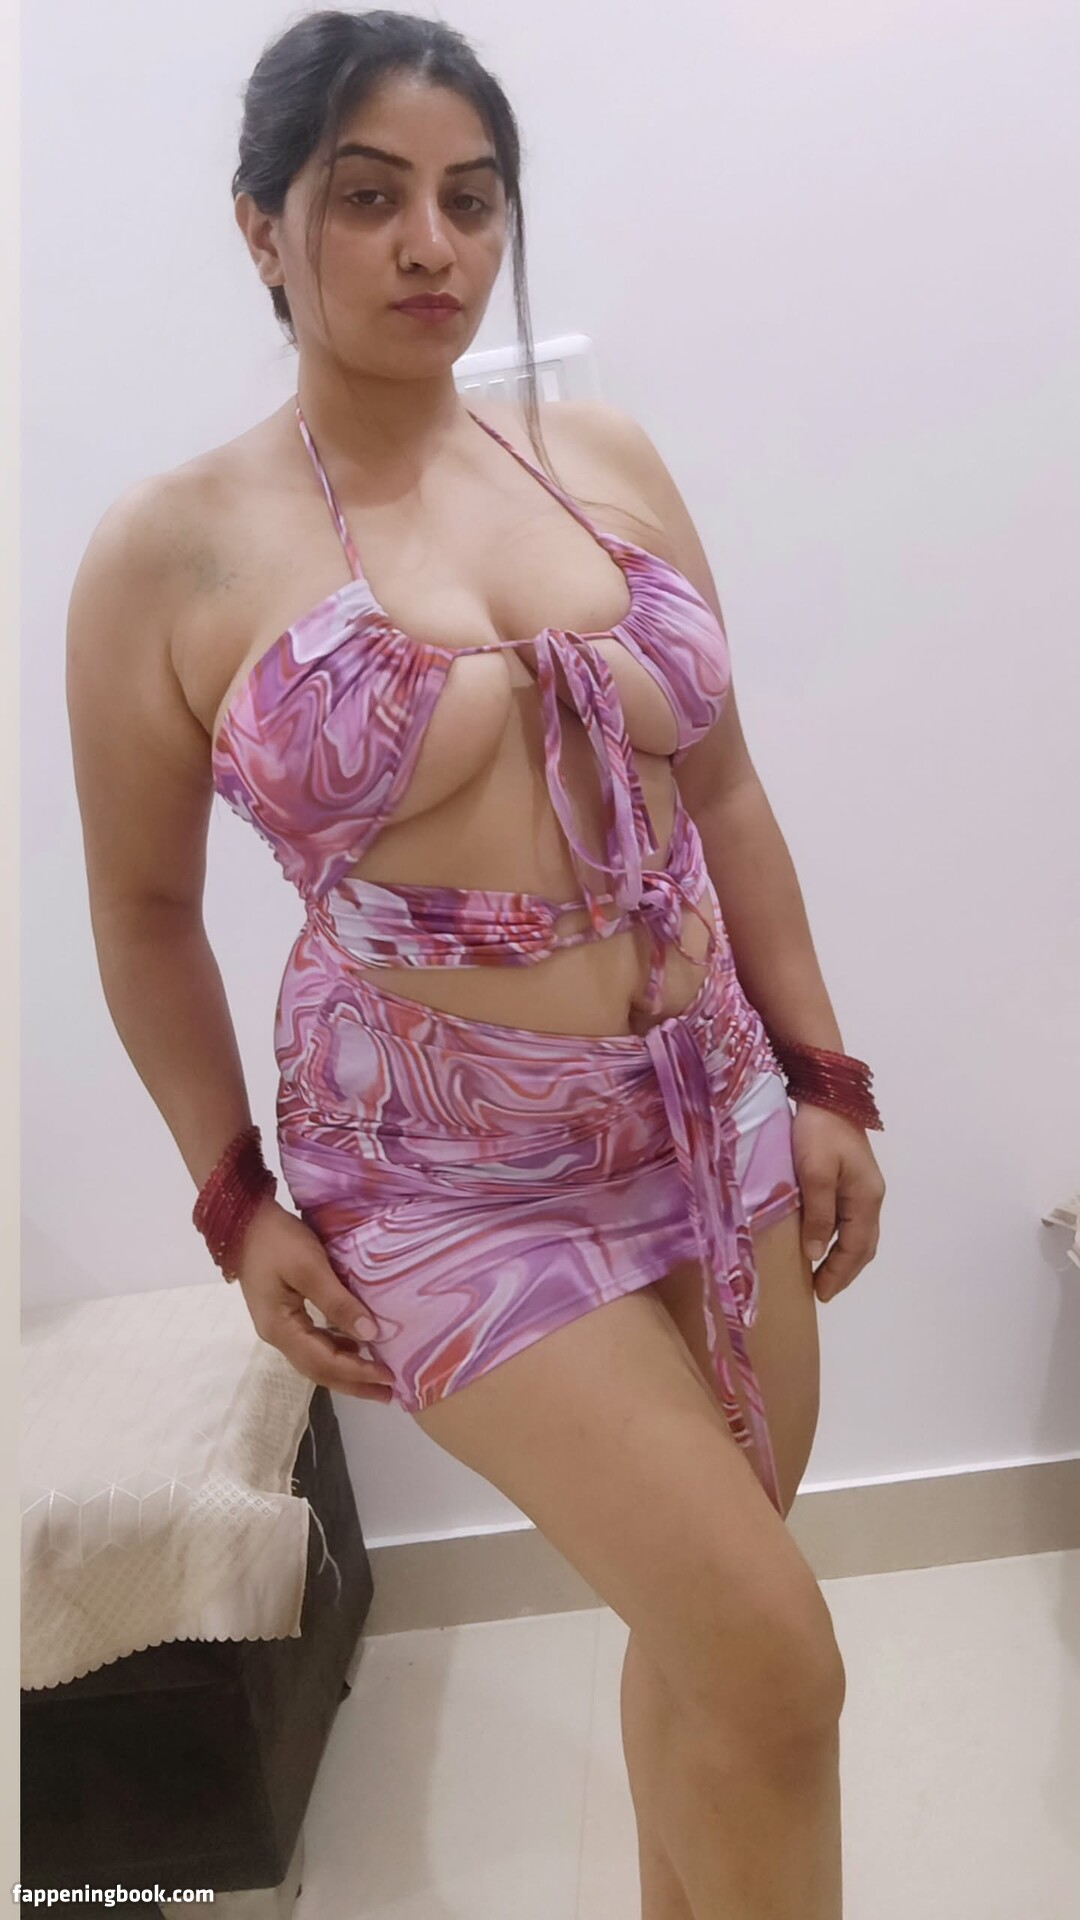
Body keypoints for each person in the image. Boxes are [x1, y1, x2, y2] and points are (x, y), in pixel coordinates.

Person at [66, 11, 885, 1917]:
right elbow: (144, 914)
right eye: (368, 199)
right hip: (448, 1184)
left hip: (704, 1118)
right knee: (784, 1669)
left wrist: (823, 1073)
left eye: (471, 197)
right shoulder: (170, 554)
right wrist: (230, 1199)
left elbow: (724, 787)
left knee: (712, 1644)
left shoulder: (597, 457)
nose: (431, 243)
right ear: (263, 227)